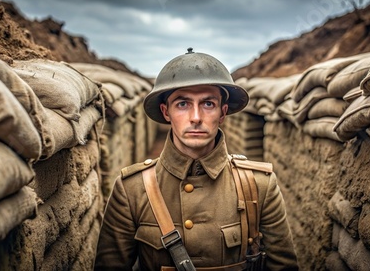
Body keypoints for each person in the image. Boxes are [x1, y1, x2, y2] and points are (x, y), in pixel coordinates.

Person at [95, 48, 298, 270]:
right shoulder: (131, 190)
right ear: (166, 112)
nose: (196, 118)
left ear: (222, 113)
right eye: (183, 104)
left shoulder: (260, 186)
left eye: (208, 104)